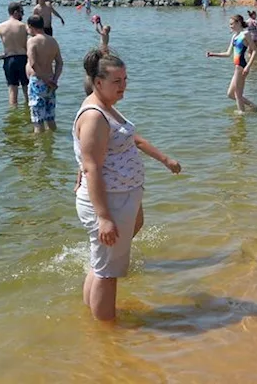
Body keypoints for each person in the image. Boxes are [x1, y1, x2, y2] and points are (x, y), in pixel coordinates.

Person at [74, 49, 182, 321]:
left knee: (102, 265)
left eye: (125, 79)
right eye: (117, 81)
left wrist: (164, 159)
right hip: (108, 201)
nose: (124, 86)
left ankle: (95, 315)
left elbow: (130, 139)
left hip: (120, 196)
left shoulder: (107, 108)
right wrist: (104, 218)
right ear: (98, 83)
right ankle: (109, 340)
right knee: (108, 274)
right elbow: (91, 167)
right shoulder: (94, 116)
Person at [206, 15, 257, 113]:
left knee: (238, 94)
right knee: (230, 94)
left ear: (238, 23)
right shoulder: (234, 36)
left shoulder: (245, 34)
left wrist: (248, 67)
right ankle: (254, 107)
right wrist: (213, 54)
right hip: (237, 67)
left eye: (231, 24)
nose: (230, 26)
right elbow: (228, 53)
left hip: (242, 66)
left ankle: (241, 115)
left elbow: (255, 51)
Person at [0, 2, 31, 106]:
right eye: (22, 12)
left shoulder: (0, 27)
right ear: (16, 12)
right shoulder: (24, 26)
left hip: (9, 60)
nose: (23, 15)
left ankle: (13, 118)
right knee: (27, 90)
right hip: (23, 59)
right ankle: (29, 116)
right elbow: (36, 38)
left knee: (12, 91)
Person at [25, 15, 63, 133]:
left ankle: (39, 150)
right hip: (51, 82)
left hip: (38, 82)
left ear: (31, 26)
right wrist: (54, 80)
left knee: (38, 122)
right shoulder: (52, 40)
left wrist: (45, 80)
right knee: (50, 119)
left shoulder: (32, 41)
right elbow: (59, 63)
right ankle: (51, 148)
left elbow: (33, 63)